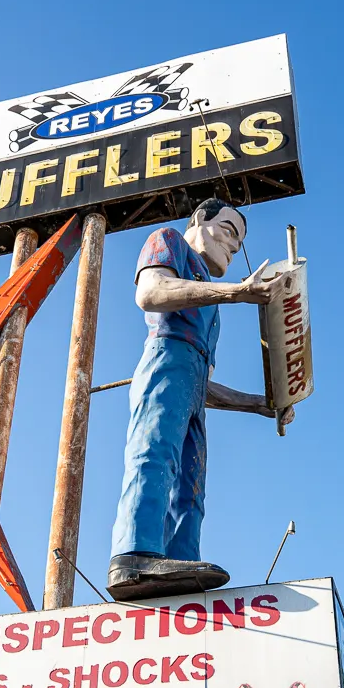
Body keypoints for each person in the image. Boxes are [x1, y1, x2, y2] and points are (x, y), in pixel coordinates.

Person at [108, 198, 294, 600]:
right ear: (199, 220)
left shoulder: (213, 310)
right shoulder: (168, 240)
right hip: (166, 358)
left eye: (239, 240)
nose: (233, 246)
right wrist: (235, 292)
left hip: (192, 381)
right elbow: (152, 292)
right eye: (229, 231)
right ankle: (135, 554)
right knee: (154, 452)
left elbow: (205, 386)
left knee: (191, 481)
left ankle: (180, 559)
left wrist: (259, 404)